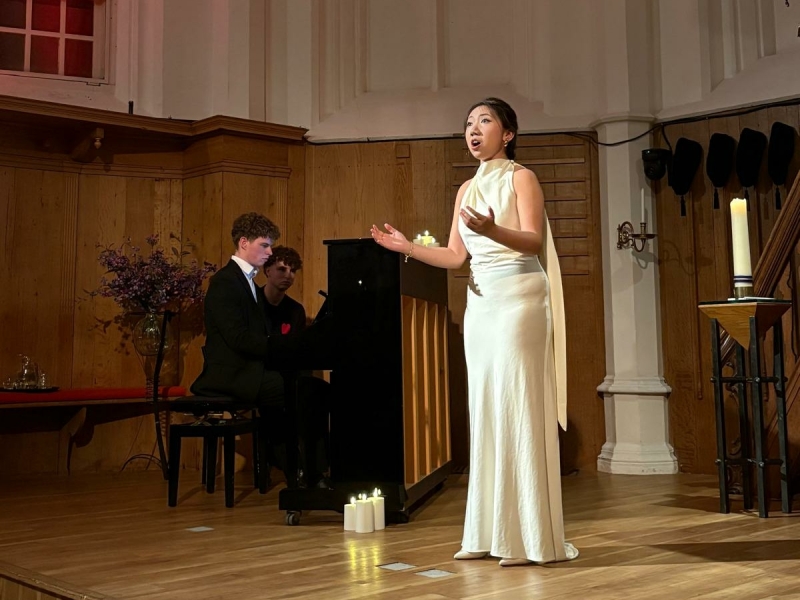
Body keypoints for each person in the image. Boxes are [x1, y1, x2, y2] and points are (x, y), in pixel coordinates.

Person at [371, 97, 578, 567]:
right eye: (468, 123)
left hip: (520, 299)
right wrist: (406, 247)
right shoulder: (466, 188)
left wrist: (492, 229)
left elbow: (533, 241)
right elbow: (454, 256)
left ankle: (528, 538)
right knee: (486, 408)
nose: (474, 129)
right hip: (481, 305)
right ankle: (487, 532)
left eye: (485, 121)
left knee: (517, 404)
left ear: (508, 133)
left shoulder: (521, 178)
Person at [262, 246, 331, 488]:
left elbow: (301, 350)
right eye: (282, 269)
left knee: (317, 392)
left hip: (289, 373)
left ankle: (316, 470)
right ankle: (296, 469)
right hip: (263, 374)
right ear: (267, 270)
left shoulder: (295, 310)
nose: (288, 275)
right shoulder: (254, 304)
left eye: (292, 271)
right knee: (286, 397)